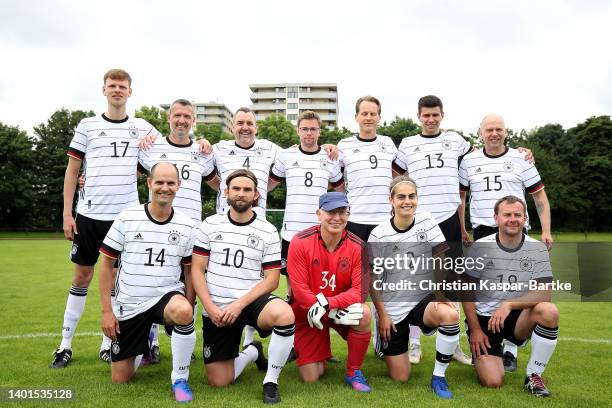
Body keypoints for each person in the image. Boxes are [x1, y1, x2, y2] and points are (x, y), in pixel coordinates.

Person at [51, 69, 162, 368]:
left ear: (130, 91)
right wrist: (66, 213)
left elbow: (163, 160)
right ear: (103, 90)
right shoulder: (87, 125)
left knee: (117, 281)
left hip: (125, 218)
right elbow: (73, 171)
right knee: (82, 277)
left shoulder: (142, 128)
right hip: (89, 215)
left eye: (122, 86)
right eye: (112, 86)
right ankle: (64, 345)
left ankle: (107, 343)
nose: (117, 90)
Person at [210, 107, 336, 349]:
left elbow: (270, 184)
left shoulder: (275, 151)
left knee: (258, 281)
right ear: (232, 126)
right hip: (226, 228)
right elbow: (205, 168)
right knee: (230, 281)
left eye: (250, 123)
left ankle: (253, 341)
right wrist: (230, 193)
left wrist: (331, 147)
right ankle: (230, 334)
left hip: (259, 228)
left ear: (256, 127)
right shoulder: (219, 148)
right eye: (240, 123)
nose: (245, 127)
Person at [191, 169, 295, 404]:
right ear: (226, 192)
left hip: (250, 301)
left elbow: (272, 280)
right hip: (217, 305)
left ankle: (271, 380)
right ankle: (253, 351)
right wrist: (210, 307)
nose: (241, 194)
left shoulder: (267, 230)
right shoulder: (210, 224)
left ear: (256, 195)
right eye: (236, 189)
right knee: (220, 381)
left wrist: (239, 305)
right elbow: (197, 270)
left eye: (247, 190)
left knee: (284, 313)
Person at [459, 114, 553, 371]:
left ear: (506, 132)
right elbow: (461, 197)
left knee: (520, 285)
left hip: (515, 227)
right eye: (489, 129)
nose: (494, 133)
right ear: (480, 133)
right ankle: (481, 333)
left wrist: (546, 230)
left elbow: (539, 195)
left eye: (499, 129)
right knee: (482, 289)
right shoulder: (468, 160)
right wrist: (462, 228)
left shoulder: (521, 158)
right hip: (483, 230)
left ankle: (511, 347)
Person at [98, 162, 198, 402]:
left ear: (179, 186)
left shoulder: (187, 225)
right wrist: (107, 312)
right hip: (130, 303)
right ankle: (145, 339)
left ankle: (180, 378)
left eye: (171, 183)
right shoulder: (127, 218)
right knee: (121, 378)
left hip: (166, 296)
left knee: (183, 310)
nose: (165, 188)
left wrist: (191, 306)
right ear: (149, 183)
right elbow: (105, 265)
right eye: (160, 182)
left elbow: (189, 271)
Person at [392, 95, 473, 365]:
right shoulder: (407, 145)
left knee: (452, 282)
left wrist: (520, 152)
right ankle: (414, 343)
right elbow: (396, 178)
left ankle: (454, 342)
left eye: (435, 115)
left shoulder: (456, 140)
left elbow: (481, 159)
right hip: (419, 222)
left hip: (448, 218)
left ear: (442, 115)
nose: (430, 119)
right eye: (426, 115)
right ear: (419, 116)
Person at [138, 98, 218, 364]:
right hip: (156, 229)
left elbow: (217, 183)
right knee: (152, 282)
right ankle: (149, 341)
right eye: (177, 116)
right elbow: (132, 175)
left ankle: (183, 339)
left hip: (191, 231)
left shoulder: (202, 151)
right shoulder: (151, 147)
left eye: (187, 116)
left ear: (193, 120)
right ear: (169, 118)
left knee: (189, 285)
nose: (182, 120)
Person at [369, 176, 461, 399]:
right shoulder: (378, 234)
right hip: (393, 306)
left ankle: (439, 377)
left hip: (422, 297)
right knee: (401, 377)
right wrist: (382, 315)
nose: (407, 201)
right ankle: (382, 343)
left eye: (412, 196)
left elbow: (441, 256)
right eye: (401, 197)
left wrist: (439, 294)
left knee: (449, 313)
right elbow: (372, 281)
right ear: (391, 200)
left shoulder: (427, 221)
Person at [462, 195, 559, 397]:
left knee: (549, 311)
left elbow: (545, 293)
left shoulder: (537, 248)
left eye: (517, 214)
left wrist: (508, 304)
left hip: (517, 317)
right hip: (485, 320)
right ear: (496, 218)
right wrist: (475, 329)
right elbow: (466, 291)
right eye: (507, 215)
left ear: (525, 218)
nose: (512, 219)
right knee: (492, 381)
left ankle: (534, 376)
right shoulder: (480, 247)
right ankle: (482, 354)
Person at [288, 192, 373, 392]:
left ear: (348, 214)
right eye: (330, 212)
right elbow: (299, 291)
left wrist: (328, 305)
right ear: (319, 214)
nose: (336, 217)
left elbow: (359, 292)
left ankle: (353, 371)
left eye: (342, 212)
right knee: (311, 377)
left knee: (364, 314)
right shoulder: (300, 241)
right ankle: (318, 350)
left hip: (336, 310)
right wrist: (322, 306)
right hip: (308, 312)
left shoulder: (359, 246)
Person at [337, 96, 398, 243]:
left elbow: (399, 176)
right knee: (356, 265)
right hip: (355, 219)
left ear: (379, 117)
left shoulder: (388, 143)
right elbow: (332, 176)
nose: (368, 118)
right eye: (364, 114)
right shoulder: (344, 145)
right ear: (356, 117)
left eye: (373, 114)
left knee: (384, 265)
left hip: (385, 219)